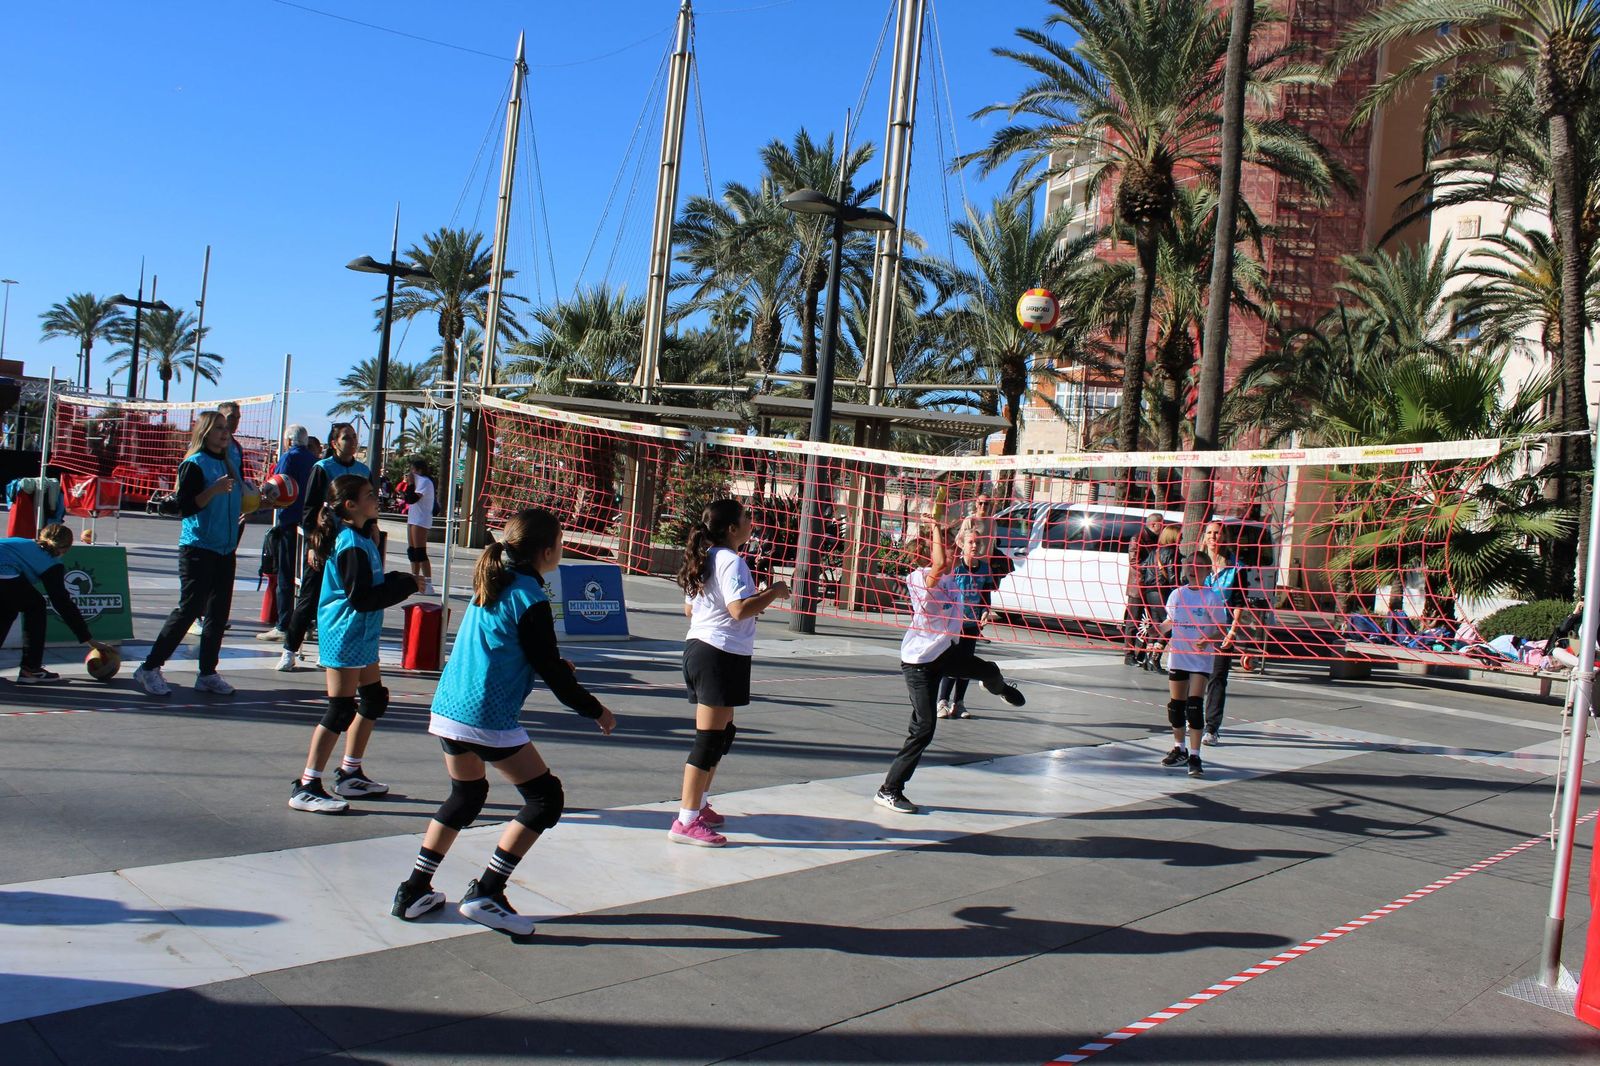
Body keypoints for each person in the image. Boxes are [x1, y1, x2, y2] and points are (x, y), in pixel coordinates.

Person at [392, 508, 617, 935]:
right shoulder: (531, 595)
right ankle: (488, 892)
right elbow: (550, 671)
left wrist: (550, 663)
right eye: (562, 541)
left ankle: (413, 889)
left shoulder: (493, 579)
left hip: (449, 706)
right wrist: (596, 710)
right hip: (485, 715)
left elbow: (514, 646)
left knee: (467, 795)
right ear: (548, 551)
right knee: (545, 799)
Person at [876, 510, 1026, 815]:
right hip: (920, 664)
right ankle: (889, 790)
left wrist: (974, 517)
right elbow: (942, 561)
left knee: (989, 670)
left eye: (948, 543)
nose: (948, 549)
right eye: (941, 543)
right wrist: (933, 527)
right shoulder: (921, 579)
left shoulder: (952, 577)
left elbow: (971, 553)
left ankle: (998, 688)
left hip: (947, 652)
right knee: (924, 728)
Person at [288, 475, 417, 814]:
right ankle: (306, 784)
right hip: (345, 632)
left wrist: (403, 580)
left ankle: (349, 773)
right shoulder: (351, 544)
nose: (377, 499)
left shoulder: (362, 539)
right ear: (351, 505)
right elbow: (361, 598)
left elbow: (370, 586)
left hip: (360, 633)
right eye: (370, 496)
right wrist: (405, 586)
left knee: (374, 699)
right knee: (341, 707)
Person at [671, 499, 790, 846]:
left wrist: (749, 606)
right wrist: (773, 593)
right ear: (731, 529)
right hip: (716, 655)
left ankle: (700, 804)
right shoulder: (731, 561)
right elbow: (738, 610)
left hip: (713, 651)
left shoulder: (706, 558)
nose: (751, 522)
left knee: (722, 733)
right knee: (708, 740)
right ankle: (685, 820)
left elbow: (689, 609)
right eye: (746, 518)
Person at [134, 411, 243, 698]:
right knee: (190, 609)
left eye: (226, 428)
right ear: (205, 432)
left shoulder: (232, 460)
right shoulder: (194, 465)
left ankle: (207, 673)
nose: (224, 432)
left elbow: (237, 499)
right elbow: (186, 506)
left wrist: (258, 499)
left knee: (218, 614)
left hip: (225, 548)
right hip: (198, 547)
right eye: (218, 428)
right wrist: (213, 490)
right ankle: (150, 667)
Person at [277, 423, 370, 671]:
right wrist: (313, 543)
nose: (351, 441)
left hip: (352, 546)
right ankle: (289, 649)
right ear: (334, 443)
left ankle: (328, 651)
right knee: (309, 597)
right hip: (326, 542)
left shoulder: (363, 471)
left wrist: (372, 534)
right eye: (346, 437)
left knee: (342, 602)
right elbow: (310, 510)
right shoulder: (323, 468)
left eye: (354, 437)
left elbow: (369, 509)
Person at [0, 524, 116, 684]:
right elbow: (62, 603)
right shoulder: (51, 563)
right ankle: (30, 669)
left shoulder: (26, 545)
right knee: (36, 606)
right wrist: (88, 639)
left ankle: (30, 668)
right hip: (3, 570)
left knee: (9, 607)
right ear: (66, 549)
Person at [1160, 556, 1230, 778]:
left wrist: (1208, 639)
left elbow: (1222, 628)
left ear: (1207, 571)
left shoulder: (1211, 597)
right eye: (1189, 566)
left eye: (1198, 567)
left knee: (1194, 705)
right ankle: (1180, 748)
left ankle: (1196, 755)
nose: (1193, 570)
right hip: (1178, 656)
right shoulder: (1177, 594)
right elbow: (1169, 621)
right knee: (1175, 706)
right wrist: (1156, 631)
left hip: (1199, 658)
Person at [256, 425, 316, 642]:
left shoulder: (289, 458)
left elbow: (276, 486)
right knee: (306, 576)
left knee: (286, 574)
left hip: (289, 521)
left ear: (289, 440)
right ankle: (306, 622)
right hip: (307, 523)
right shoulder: (312, 459)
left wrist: (262, 504)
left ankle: (283, 624)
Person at [935, 524, 995, 719]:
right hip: (954, 624)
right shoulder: (956, 568)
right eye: (970, 542)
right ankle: (942, 701)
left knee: (967, 664)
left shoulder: (985, 568)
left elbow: (985, 596)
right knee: (952, 662)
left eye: (978, 542)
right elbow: (946, 593)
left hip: (972, 625)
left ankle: (958, 703)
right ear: (962, 544)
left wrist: (985, 611)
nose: (974, 546)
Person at [1200, 521, 1245, 745]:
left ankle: (1211, 728)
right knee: (1194, 675)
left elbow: (1239, 601)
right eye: (1209, 532)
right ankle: (1192, 719)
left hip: (1222, 630)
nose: (1213, 536)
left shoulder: (1237, 567)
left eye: (1217, 533)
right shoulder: (1196, 562)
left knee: (1217, 677)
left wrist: (1233, 631)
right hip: (1197, 628)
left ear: (1224, 537)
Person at [1124, 512, 1167, 665]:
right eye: (1162, 525)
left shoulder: (1158, 540)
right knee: (1133, 621)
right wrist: (1153, 568)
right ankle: (1129, 655)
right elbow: (1134, 562)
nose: (1163, 529)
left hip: (1151, 586)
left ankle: (1142, 654)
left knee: (1151, 621)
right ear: (1154, 524)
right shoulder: (1138, 538)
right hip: (1138, 587)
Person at [403, 457, 437, 596]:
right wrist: (409, 484)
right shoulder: (416, 482)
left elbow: (412, 499)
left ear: (420, 470)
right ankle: (414, 579)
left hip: (421, 520)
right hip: (413, 519)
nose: (411, 473)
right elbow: (407, 499)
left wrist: (411, 483)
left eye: (414, 470)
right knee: (412, 551)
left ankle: (428, 583)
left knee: (420, 552)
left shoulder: (425, 482)